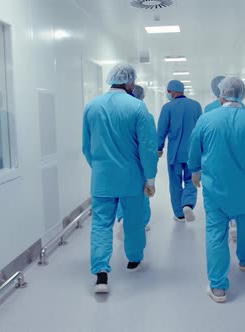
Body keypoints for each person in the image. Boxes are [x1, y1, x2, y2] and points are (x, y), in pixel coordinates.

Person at [188, 77, 245, 303]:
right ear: (242, 95)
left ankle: (218, 287)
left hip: (215, 188)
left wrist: (195, 172)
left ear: (221, 95)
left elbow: (194, 150)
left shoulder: (206, 120)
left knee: (216, 233)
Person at [82, 64, 158, 294]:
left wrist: (99, 168)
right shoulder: (137, 107)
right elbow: (147, 147)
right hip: (131, 179)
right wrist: (150, 179)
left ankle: (101, 275)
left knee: (101, 224)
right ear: (130, 83)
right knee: (134, 221)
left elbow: (87, 146)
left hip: (102, 178)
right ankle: (133, 260)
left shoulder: (92, 107)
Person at [157, 80, 203, 222]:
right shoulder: (196, 106)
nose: (168, 94)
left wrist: (159, 147)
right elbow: (201, 129)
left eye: (169, 92)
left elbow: (162, 130)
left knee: (175, 182)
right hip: (193, 152)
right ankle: (188, 204)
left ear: (173, 91)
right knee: (191, 179)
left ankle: (179, 214)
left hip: (174, 153)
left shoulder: (167, 107)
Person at [116, 84, 152, 240]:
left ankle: (122, 218)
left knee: (120, 194)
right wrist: (151, 175)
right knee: (141, 197)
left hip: (115, 163)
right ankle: (141, 223)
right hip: (137, 165)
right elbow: (148, 145)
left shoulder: (113, 113)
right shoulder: (144, 114)